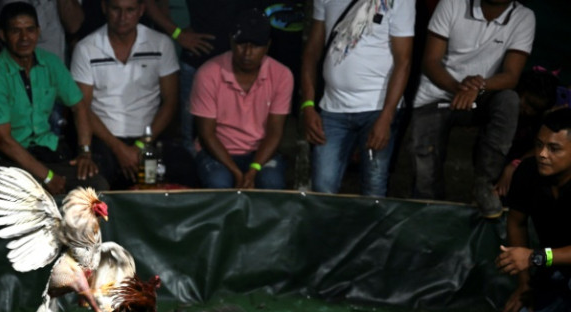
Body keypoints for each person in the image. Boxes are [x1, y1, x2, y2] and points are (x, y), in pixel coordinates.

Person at [409, 0, 535, 218]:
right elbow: (430, 61)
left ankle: (484, 184)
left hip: (482, 96)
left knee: (509, 100)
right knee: (425, 173)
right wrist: (458, 88)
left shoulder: (523, 17)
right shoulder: (451, 4)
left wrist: (479, 88)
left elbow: (511, 76)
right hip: (438, 93)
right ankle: (428, 211)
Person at [0, 2, 107, 194]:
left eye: (30, 30)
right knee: (25, 192)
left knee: (96, 185)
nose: (24, 38)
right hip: (7, 159)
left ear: (38, 32)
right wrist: (47, 176)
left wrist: (85, 152)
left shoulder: (50, 62)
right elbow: (3, 141)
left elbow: (79, 106)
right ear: (2, 35)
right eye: (15, 31)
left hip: (45, 152)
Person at [70, 0, 196, 190]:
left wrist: (140, 145)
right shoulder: (86, 48)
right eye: (116, 9)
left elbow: (170, 102)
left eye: (130, 10)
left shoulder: (161, 44)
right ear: (104, 8)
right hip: (104, 138)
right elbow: (82, 107)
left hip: (149, 138)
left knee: (186, 172)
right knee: (93, 181)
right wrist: (119, 149)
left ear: (141, 10)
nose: (122, 17)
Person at [300, 0, 415, 197]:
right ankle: (328, 228)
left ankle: (371, 229)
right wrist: (308, 106)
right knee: (322, 187)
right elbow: (311, 53)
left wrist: (386, 117)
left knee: (374, 188)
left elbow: (403, 61)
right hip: (332, 108)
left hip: (377, 109)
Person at [494, 107, 571, 312]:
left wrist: (535, 257)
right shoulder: (528, 172)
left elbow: (537, 256)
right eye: (539, 145)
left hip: (550, 262)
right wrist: (525, 284)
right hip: (554, 273)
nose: (542, 154)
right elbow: (516, 223)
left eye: (554, 148)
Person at [189, 8, 292, 189]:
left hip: (259, 153)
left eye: (256, 45)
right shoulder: (208, 73)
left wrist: (253, 170)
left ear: (267, 46)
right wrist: (236, 172)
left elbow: (275, 131)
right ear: (231, 41)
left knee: (271, 183)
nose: (247, 52)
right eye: (241, 43)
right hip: (218, 152)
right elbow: (206, 134)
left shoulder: (282, 75)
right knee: (219, 182)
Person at [495, 67, 560, 198]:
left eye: (536, 109)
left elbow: (539, 148)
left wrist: (514, 165)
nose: (529, 111)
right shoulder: (503, 103)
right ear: (520, 91)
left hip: (522, 159)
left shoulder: (542, 120)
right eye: (528, 103)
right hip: (496, 155)